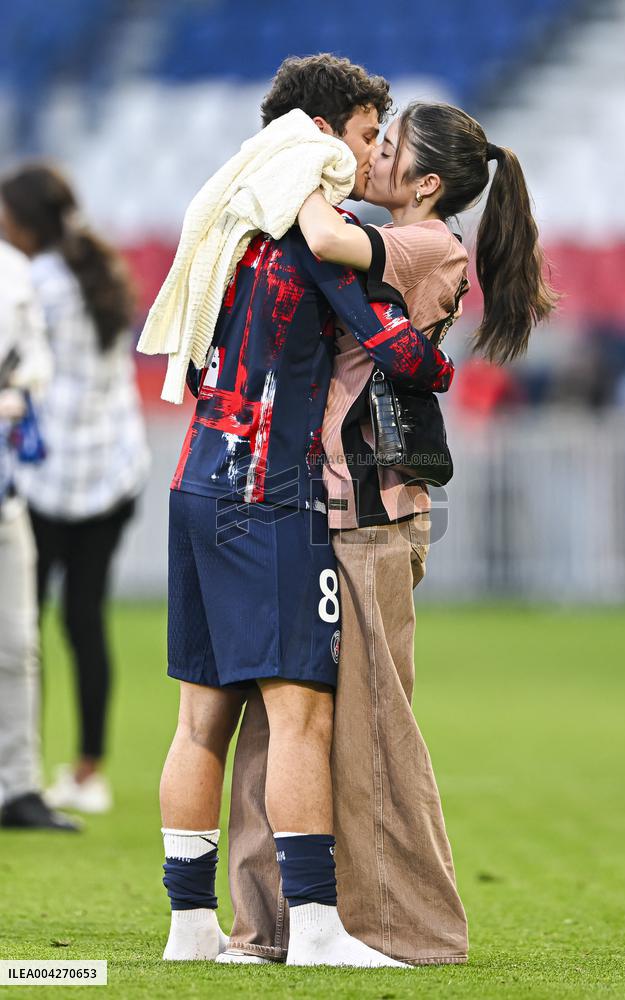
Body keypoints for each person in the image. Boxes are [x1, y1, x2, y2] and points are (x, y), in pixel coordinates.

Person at [225, 102, 557, 963]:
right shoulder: (404, 231)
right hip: (324, 500)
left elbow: (330, 243)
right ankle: (272, 925)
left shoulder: (429, 244)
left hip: (371, 514)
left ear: (428, 184)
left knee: (369, 724)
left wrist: (302, 154)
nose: (370, 156)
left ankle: (404, 925)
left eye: (388, 147)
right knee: (284, 712)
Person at [145, 55, 454, 968]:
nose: (369, 160)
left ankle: (190, 926)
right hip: (270, 498)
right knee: (301, 716)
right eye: (366, 136)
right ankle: (318, 930)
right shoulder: (310, 234)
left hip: (197, 480)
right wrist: (436, 363)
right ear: (322, 134)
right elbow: (401, 354)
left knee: (199, 719)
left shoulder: (232, 228)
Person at [0, 166, 150, 814]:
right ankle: (89, 770)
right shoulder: (104, 269)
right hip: (113, 470)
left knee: (20, 628)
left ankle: (18, 769)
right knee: (86, 622)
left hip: (49, 475)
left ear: (26, 221)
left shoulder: (32, 283)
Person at [0, 237, 77, 831]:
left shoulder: (15, 269)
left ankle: (18, 785)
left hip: (6, 494)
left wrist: (21, 386)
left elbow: (40, 367)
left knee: (18, 644)